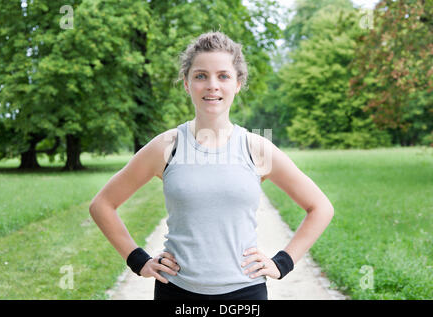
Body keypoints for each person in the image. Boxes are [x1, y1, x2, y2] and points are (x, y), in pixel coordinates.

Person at [89, 31, 334, 300]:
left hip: (245, 293)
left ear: (238, 83)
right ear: (186, 83)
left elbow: (320, 208)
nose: (212, 85)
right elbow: (102, 205)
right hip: (177, 292)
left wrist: (282, 263)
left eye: (223, 76)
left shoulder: (257, 149)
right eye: (201, 75)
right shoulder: (166, 146)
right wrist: (139, 261)